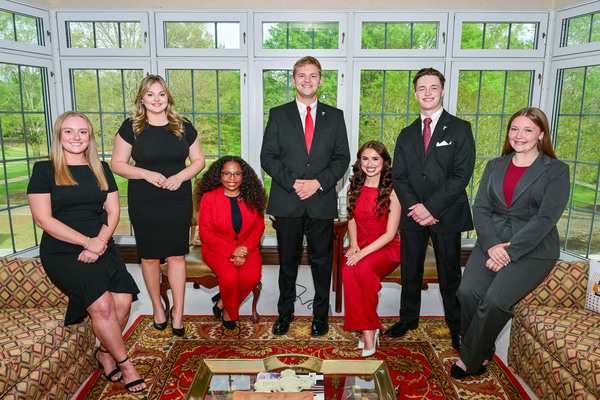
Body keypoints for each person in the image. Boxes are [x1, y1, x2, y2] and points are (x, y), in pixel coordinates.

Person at [27, 111, 146, 393]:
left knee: (124, 302)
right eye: (68, 131)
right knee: (102, 305)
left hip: (101, 242)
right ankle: (126, 364)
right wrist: (86, 242)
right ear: (59, 136)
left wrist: (99, 242)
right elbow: (43, 219)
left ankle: (104, 352)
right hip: (63, 249)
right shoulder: (44, 170)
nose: (76, 137)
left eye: (82, 131)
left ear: (89, 136)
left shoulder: (100, 168)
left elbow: (114, 211)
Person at [451, 107, 570, 379]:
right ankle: (482, 350)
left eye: (528, 130)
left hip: (533, 249)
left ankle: (470, 358)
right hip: (491, 241)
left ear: (541, 134)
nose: (519, 135)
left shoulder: (556, 170)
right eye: (514, 129)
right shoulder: (495, 165)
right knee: (467, 293)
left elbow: (545, 219)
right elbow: (481, 207)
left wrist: (509, 252)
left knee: (494, 302)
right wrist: (492, 245)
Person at [260, 56, 350, 337]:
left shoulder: (335, 116)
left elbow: (342, 158)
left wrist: (317, 183)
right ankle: (284, 313)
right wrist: (295, 183)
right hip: (288, 200)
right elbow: (268, 157)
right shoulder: (278, 114)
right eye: (301, 75)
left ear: (320, 81)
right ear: (294, 80)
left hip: (321, 201)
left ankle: (320, 315)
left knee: (322, 263)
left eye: (312, 75)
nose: (307, 80)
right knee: (287, 262)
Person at [387, 67, 475, 351]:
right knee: (410, 270)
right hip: (413, 214)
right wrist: (416, 208)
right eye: (422, 88)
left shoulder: (460, 128)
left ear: (442, 90)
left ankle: (456, 326)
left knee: (450, 274)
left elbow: (461, 175)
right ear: (415, 94)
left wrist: (432, 208)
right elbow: (399, 176)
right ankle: (408, 319)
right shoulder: (406, 134)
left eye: (433, 87)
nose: (427, 93)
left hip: (446, 213)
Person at [111, 75, 205, 337]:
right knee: (150, 256)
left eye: (161, 94)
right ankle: (157, 307)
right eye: (150, 94)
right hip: (145, 199)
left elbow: (199, 160)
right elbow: (117, 164)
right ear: (142, 99)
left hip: (177, 197)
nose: (156, 99)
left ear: (168, 98)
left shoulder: (183, 125)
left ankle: (178, 312)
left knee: (177, 255)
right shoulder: (131, 127)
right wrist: (146, 174)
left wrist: (180, 177)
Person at [342, 141, 401, 357]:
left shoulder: (393, 191)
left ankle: (367, 331)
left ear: (384, 162)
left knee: (362, 269)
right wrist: (354, 244)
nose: (370, 163)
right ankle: (370, 328)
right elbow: (351, 218)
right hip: (361, 243)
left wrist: (362, 254)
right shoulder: (353, 187)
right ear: (359, 162)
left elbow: (390, 234)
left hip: (388, 247)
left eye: (375, 158)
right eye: (365, 158)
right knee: (347, 270)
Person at [196, 156, 267, 330]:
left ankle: (224, 304)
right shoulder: (209, 198)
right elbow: (206, 233)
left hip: (247, 246)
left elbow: (259, 227)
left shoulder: (252, 196)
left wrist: (244, 250)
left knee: (252, 276)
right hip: (216, 247)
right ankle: (230, 312)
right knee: (230, 278)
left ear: (243, 176)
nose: (232, 178)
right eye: (227, 173)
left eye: (237, 174)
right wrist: (232, 251)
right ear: (219, 176)